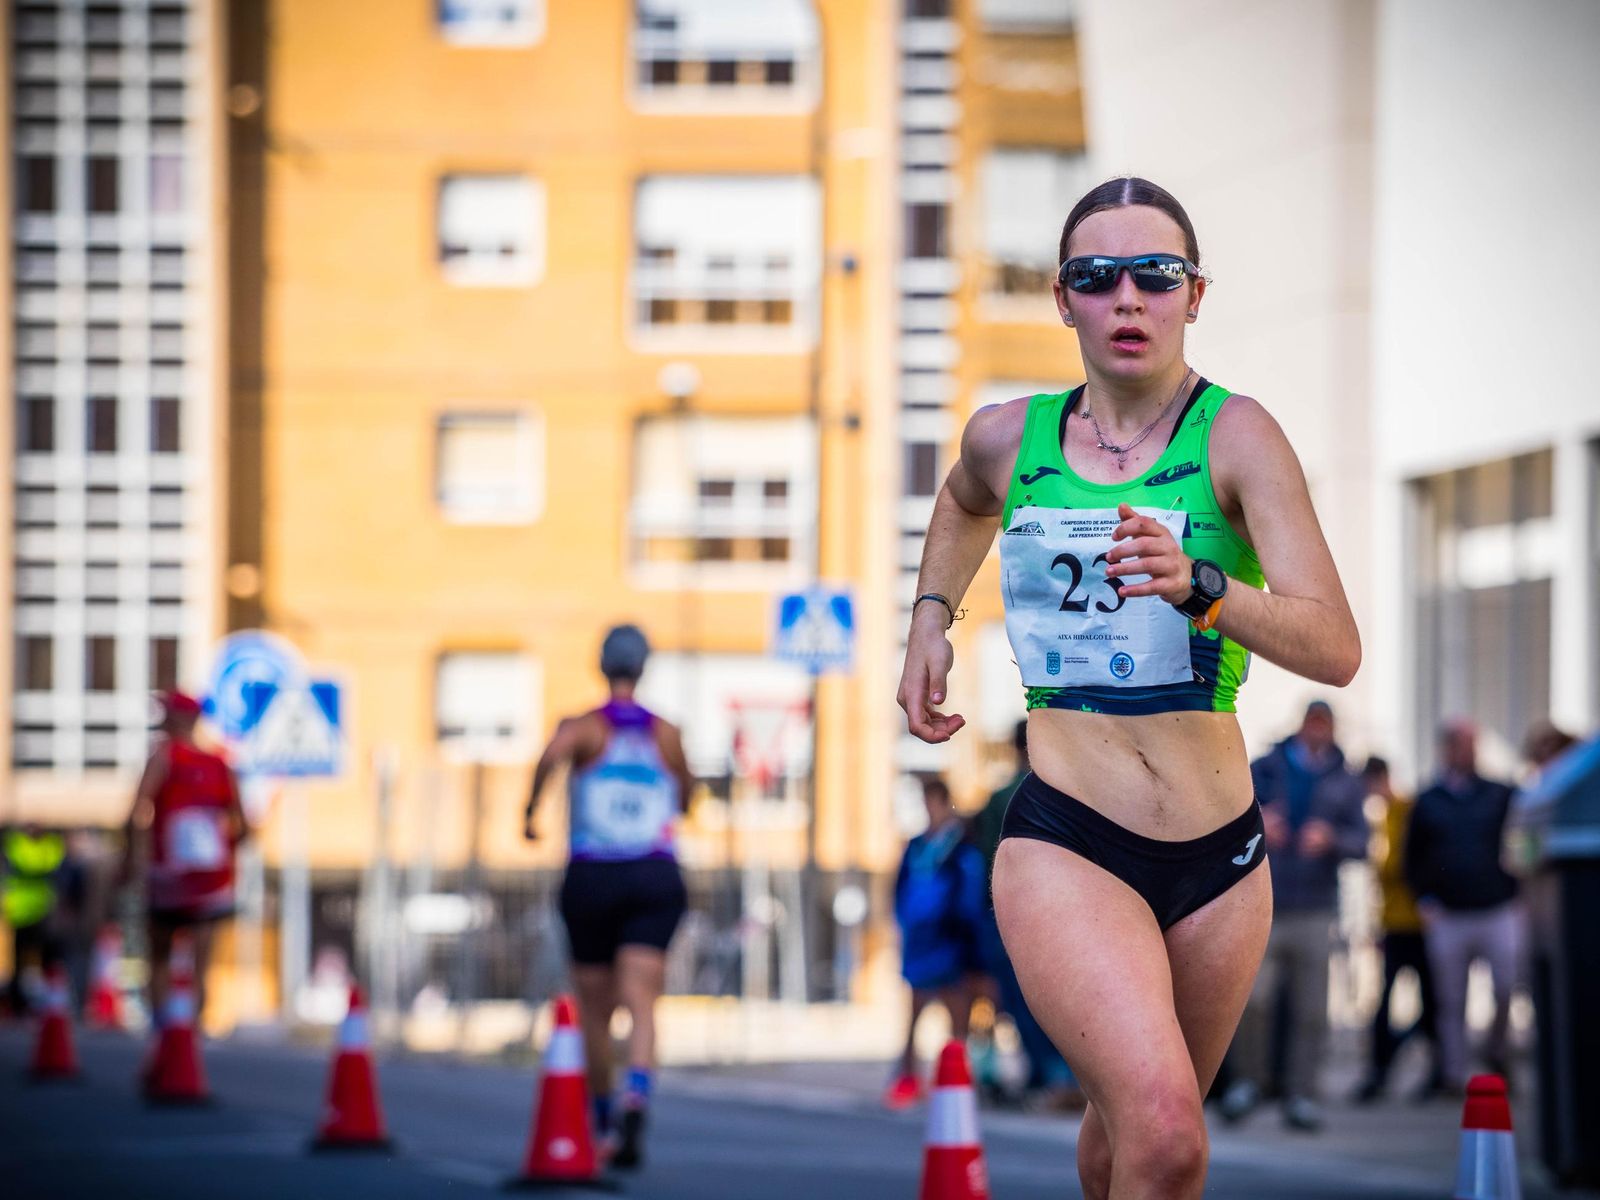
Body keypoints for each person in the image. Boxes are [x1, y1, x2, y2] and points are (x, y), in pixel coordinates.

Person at [896, 176, 1360, 1199]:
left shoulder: (1237, 438)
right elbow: (962, 503)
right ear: (1063, 299)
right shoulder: (1007, 438)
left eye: (1154, 275)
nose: (1126, 299)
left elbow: (1332, 647)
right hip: (1067, 838)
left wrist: (1202, 587)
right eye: (1095, 278)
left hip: (1220, 855)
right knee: (1165, 1134)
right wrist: (930, 620)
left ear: (1194, 294)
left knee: (1128, 1143)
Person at [524, 623, 692, 1169]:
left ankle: (600, 1119)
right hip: (653, 873)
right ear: (643, 669)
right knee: (642, 1000)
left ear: (602, 666)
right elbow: (688, 791)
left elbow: (549, 758)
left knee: (595, 1010)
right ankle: (637, 1096)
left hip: (594, 874)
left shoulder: (583, 728)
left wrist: (530, 812)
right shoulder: (666, 733)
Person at [1220, 700, 1367, 1131]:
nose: (1319, 731)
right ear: (1303, 725)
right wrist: (1259, 821)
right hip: (1265, 901)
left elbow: (1362, 842)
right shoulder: (1266, 767)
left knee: (1311, 1007)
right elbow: (1226, 812)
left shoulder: (1346, 779)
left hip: (1316, 906)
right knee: (1254, 1000)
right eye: (1314, 723)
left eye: (1326, 724)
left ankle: (1302, 1091)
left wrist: (1332, 839)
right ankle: (1248, 1083)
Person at [969, 720, 1083, 1109]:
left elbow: (986, 861)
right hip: (1064, 914)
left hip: (1006, 913)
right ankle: (1061, 1076)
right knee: (1064, 999)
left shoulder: (1001, 797)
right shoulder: (1068, 790)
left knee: (1023, 1000)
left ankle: (1045, 1076)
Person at [120, 691, 248, 1035]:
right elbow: (243, 824)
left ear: (176, 719)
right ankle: (191, 1032)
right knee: (200, 963)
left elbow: (136, 812)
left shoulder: (163, 757)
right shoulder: (221, 764)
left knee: (159, 955)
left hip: (168, 876)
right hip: (213, 880)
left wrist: (132, 860)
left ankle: (164, 1029)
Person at [1404, 719, 1520, 1094]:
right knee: (1450, 1000)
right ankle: (1454, 1075)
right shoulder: (1429, 799)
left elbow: (1520, 840)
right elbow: (1412, 855)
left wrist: (1520, 888)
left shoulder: (1500, 793)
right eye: (1458, 743)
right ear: (1445, 748)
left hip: (1497, 908)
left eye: (1471, 743)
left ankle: (1496, 1052)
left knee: (1506, 986)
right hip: (1448, 913)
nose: (1466, 750)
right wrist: (1424, 898)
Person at [885, 777, 986, 1109]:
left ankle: (956, 1081)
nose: (928, 810)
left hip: (950, 944)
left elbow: (970, 902)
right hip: (920, 943)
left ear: (944, 802)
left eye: (932, 802)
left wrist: (968, 943)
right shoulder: (916, 846)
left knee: (957, 1017)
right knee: (913, 1014)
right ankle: (909, 1077)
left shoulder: (961, 848)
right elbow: (899, 891)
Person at [1352, 756, 1439, 1103]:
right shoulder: (1377, 819)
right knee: (1384, 1001)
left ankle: (1432, 1069)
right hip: (1391, 923)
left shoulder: (1409, 810)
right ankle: (1380, 1069)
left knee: (1430, 999)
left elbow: (1410, 864)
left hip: (1420, 922)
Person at [2, 823, 67, 1016]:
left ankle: (35, 1003)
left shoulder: (18, 845)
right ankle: (31, 1003)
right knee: (30, 961)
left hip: (36, 913)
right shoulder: (48, 847)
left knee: (34, 960)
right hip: (30, 913)